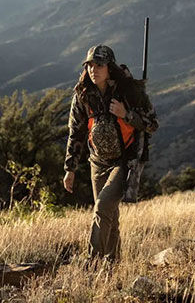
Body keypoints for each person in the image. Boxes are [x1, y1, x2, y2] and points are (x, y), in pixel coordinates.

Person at [63, 45, 158, 263]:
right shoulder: (83, 95)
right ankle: (112, 266)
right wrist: (70, 169)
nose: (93, 70)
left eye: (99, 65)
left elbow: (153, 124)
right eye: (89, 65)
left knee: (102, 207)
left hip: (124, 162)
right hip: (97, 162)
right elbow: (75, 133)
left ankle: (92, 263)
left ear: (110, 67)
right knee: (110, 217)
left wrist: (127, 115)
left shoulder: (129, 92)